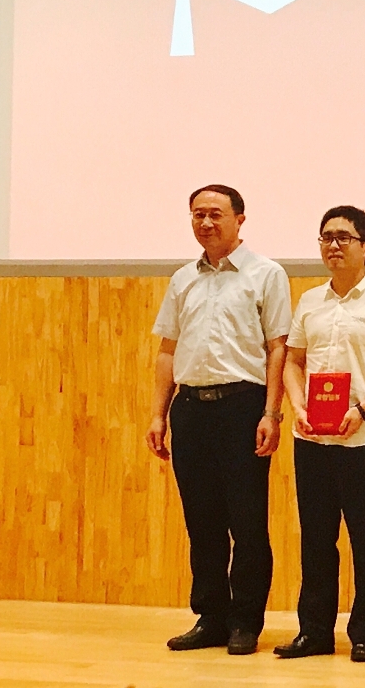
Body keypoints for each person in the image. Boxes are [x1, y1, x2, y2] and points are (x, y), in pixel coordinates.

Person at [145, 184, 291, 655]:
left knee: (247, 522)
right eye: (197, 215)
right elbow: (168, 349)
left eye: (215, 214)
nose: (206, 223)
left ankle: (245, 621)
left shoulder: (266, 274)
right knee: (201, 522)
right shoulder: (183, 278)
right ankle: (210, 617)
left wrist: (271, 411)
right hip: (190, 410)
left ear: (240, 219)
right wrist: (158, 414)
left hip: (242, 407)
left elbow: (277, 348)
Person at [275, 206, 365, 662]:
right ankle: (313, 631)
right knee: (315, 539)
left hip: (362, 440)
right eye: (325, 237)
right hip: (312, 439)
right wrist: (296, 405)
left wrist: (363, 408)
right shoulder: (310, 301)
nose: (333, 245)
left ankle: (364, 635)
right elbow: (294, 361)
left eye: (344, 237)